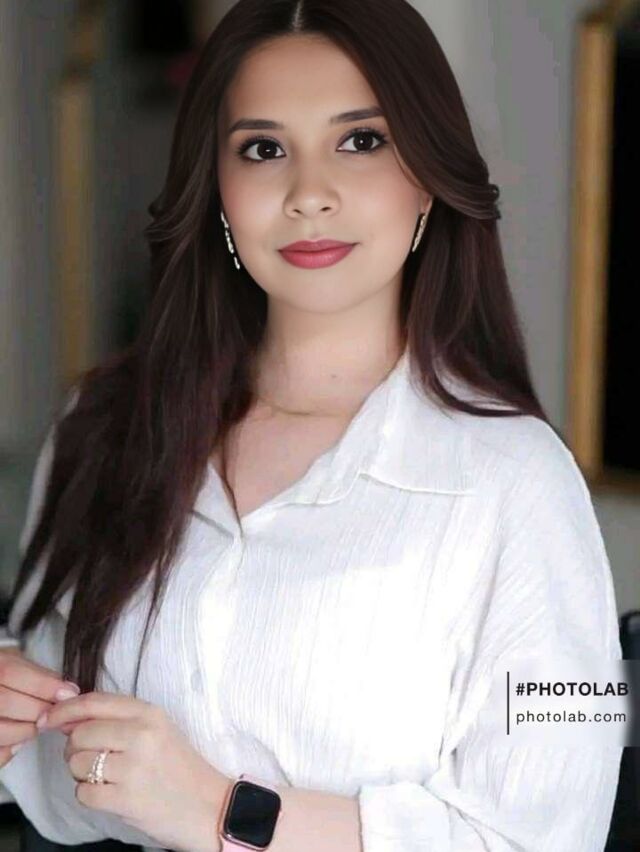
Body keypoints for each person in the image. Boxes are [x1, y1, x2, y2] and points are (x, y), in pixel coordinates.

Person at [0, 0, 624, 850]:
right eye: (264, 150)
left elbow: (549, 835)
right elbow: (61, 788)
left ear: (428, 177)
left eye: (360, 141)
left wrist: (221, 810)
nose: (309, 195)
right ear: (216, 190)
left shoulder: (519, 482)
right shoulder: (103, 429)